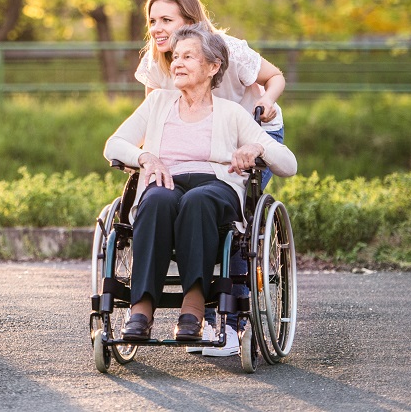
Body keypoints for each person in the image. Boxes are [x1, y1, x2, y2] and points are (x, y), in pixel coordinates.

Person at [104, 24, 297, 347]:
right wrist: (145, 157)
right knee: (155, 201)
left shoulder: (231, 113)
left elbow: (288, 163)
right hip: (165, 180)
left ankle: (192, 306)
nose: (177, 63)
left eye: (188, 57)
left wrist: (258, 148)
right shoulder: (157, 104)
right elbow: (114, 144)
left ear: (212, 67)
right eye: (175, 57)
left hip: (215, 187)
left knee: (198, 200)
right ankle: (142, 308)